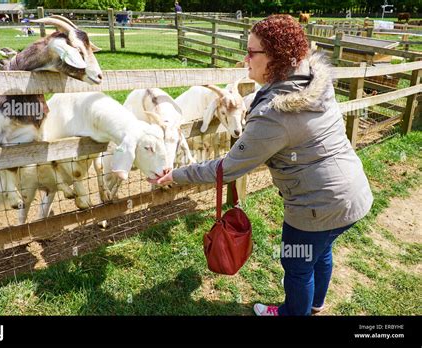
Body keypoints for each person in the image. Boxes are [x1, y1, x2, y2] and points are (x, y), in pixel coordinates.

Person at [150, 15, 373, 316]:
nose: (245, 58)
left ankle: (291, 313)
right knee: (320, 252)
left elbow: (226, 169)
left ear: (276, 58)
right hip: (354, 193)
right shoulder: (312, 81)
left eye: (252, 52)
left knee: (296, 265)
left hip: (315, 206)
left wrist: (176, 174)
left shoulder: (273, 116)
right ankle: (316, 304)